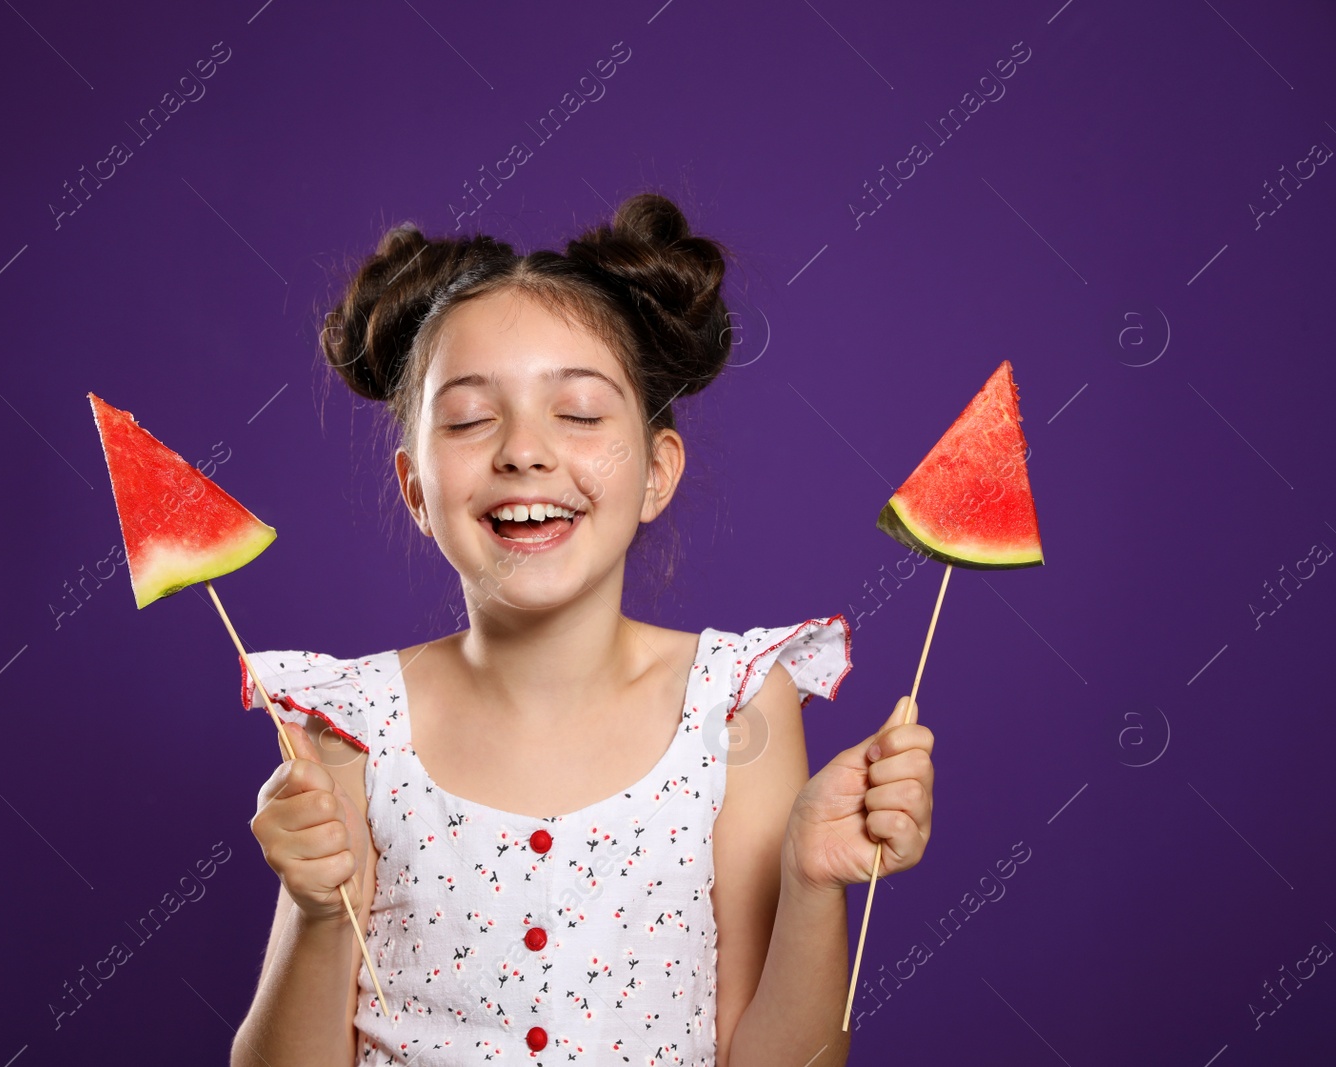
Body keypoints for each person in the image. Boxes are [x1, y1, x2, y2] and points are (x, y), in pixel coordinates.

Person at [229, 192, 934, 1066]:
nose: (524, 449)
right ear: (415, 488)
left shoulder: (738, 704)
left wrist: (814, 882)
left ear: (655, 472)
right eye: (470, 417)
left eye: (581, 412)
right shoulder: (348, 725)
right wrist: (315, 910)